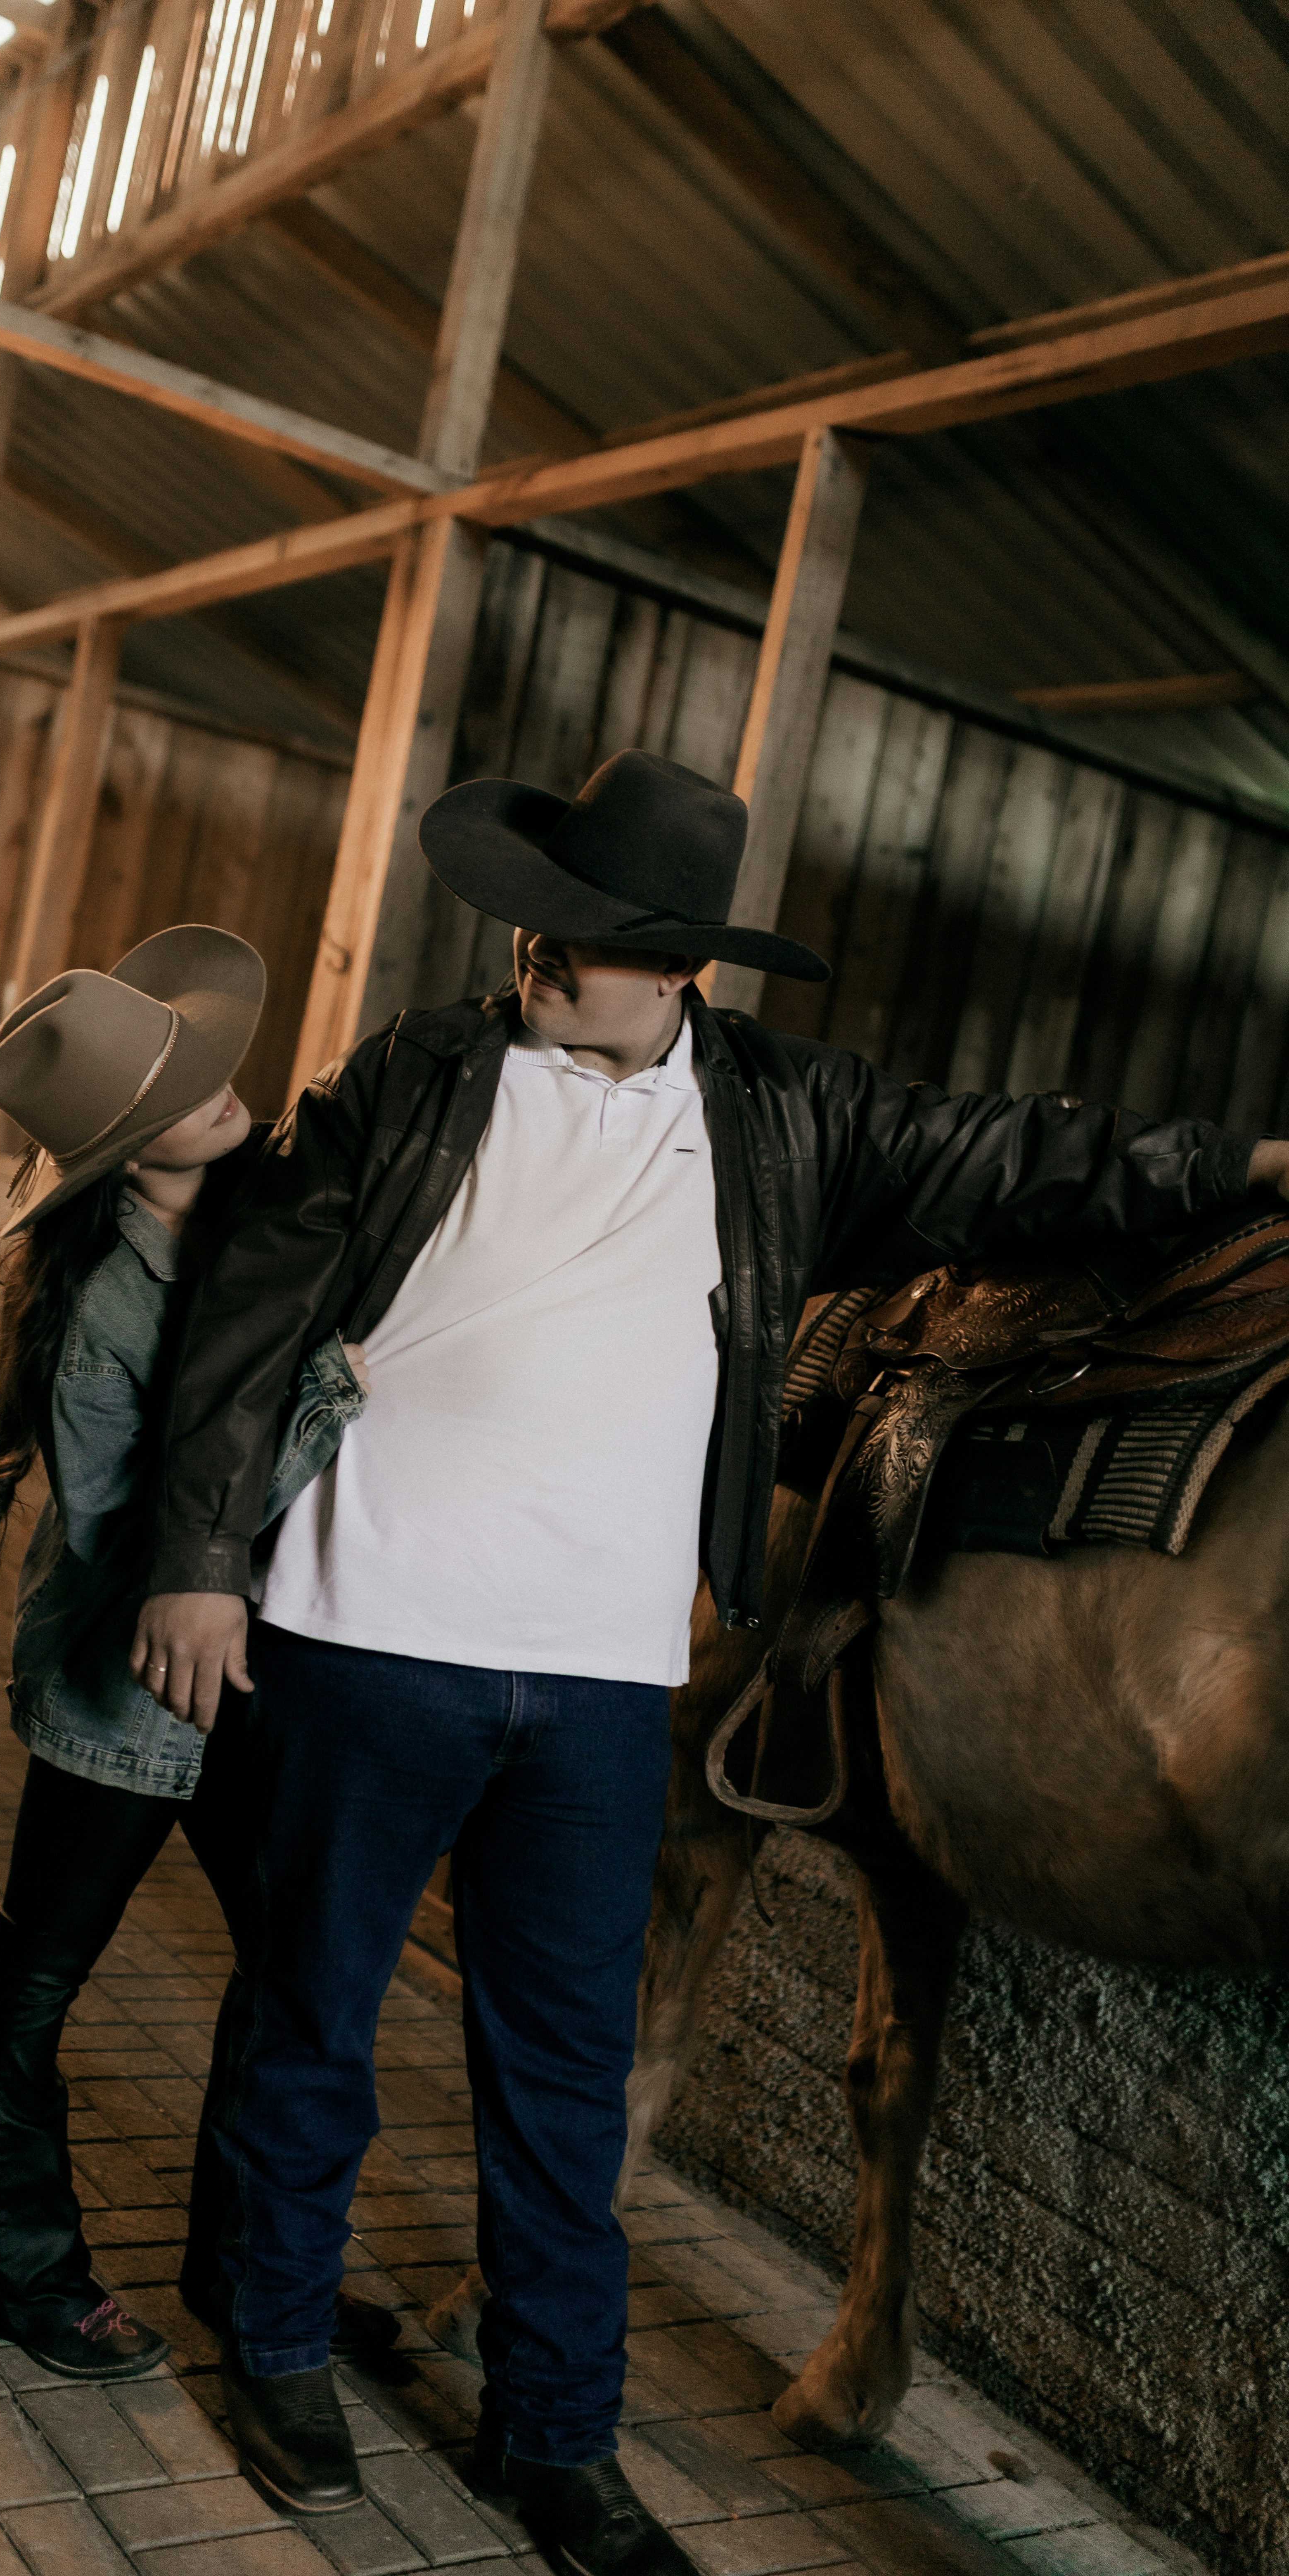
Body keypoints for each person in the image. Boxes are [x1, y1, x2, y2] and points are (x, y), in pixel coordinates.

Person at [131, 753, 1289, 2557]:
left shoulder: (779, 1113)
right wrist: (200, 1565)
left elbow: (1021, 1159)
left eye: (621, 943)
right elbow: (250, 1314)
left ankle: (554, 2438)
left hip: (599, 1678)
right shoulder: (415, 1080)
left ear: (684, 970)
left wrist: (1253, 1163)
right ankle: (273, 2339)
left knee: (565, 2072)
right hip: (364, 1632)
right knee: (312, 2019)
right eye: (568, 926)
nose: (575, 957)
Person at [0, 923, 355, 2384]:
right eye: (178, 1086)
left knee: (297, 1969)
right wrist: (332, 1406)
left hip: (256, 1681)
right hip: (123, 1689)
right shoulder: (105, 1307)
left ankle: (251, 2270)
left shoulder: (279, 1215)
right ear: (124, 1148)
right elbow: (131, 1523)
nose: (221, 1085)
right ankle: (14, 2271)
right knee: (40, 1980)